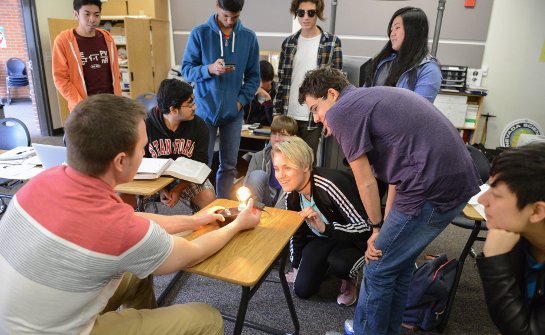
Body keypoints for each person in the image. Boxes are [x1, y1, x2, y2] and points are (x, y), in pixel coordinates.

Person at [0, 94, 261, 334]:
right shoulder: (114, 227)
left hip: (16, 320)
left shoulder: (42, 181)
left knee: (137, 274)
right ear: (121, 161)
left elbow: (134, 222)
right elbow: (190, 254)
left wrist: (195, 219)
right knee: (208, 318)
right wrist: (237, 224)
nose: (146, 153)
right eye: (142, 147)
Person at [298, 66, 481, 335]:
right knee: (399, 265)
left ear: (332, 94)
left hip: (430, 187)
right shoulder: (370, 99)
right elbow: (394, 176)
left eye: (315, 108)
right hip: (446, 181)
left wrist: (375, 228)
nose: (316, 119)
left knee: (378, 268)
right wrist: (383, 227)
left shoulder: (341, 111)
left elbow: (366, 181)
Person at [272, 137, 372, 306]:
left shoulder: (329, 184)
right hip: (323, 239)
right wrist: (296, 266)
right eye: (276, 168)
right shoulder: (291, 193)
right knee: (302, 290)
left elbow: (365, 228)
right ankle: (326, 266)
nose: (280, 176)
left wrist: (326, 228)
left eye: (287, 168)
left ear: (305, 166)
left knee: (341, 264)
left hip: (355, 240)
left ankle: (349, 278)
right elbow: (296, 232)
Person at [182, 0, 260, 199]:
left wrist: (240, 101)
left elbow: (253, 77)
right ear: (217, 6)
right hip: (204, 111)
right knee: (201, 165)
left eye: (235, 17)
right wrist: (209, 69)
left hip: (233, 113)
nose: (230, 21)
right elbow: (186, 70)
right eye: (226, 16)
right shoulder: (200, 33)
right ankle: (201, 208)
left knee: (229, 166)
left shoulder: (248, 37)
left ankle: (223, 205)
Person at [476, 142, 545, 335]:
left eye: (496, 195)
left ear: (537, 211)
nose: (482, 199)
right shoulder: (520, 237)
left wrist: (495, 265)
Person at [273, 0, 342, 159]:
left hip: (314, 117)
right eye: (301, 13)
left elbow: (337, 85)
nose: (306, 17)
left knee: (307, 165)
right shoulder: (288, 43)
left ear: (317, 13)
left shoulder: (331, 43)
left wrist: (330, 119)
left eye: (311, 12)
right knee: (284, 162)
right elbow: (282, 81)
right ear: (295, 13)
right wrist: (277, 113)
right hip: (288, 116)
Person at [145, 79, 216, 211]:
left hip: (187, 178)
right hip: (154, 179)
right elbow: (141, 164)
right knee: (124, 197)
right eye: (189, 104)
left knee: (208, 198)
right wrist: (161, 189)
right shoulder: (146, 126)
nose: (194, 107)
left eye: (193, 101)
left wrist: (178, 189)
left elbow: (201, 165)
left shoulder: (199, 126)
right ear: (173, 110)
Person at [52, 0, 121, 112]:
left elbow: (115, 71)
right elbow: (60, 79)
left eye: (96, 14)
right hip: (84, 108)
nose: (92, 19)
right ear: (76, 14)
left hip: (111, 104)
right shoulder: (64, 41)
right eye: (87, 14)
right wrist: (80, 103)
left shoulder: (107, 37)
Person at [361, 7, 441, 103]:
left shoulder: (428, 70)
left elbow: (418, 111)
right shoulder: (383, 61)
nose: (392, 34)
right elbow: (364, 95)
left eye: (397, 28)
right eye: (391, 29)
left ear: (413, 31)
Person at [244, 115, 298, 208]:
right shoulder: (258, 157)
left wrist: (276, 216)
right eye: (274, 134)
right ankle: (253, 213)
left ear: (293, 138)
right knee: (257, 175)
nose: (277, 139)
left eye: (282, 135)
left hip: (286, 209)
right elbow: (247, 188)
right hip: (262, 207)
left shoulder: (299, 161)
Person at [244, 60, 277, 125]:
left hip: (269, 132)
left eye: (264, 82)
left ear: (271, 80)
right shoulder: (248, 90)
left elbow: (275, 124)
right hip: (248, 132)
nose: (261, 85)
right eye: (259, 81)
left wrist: (268, 99)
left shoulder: (278, 93)